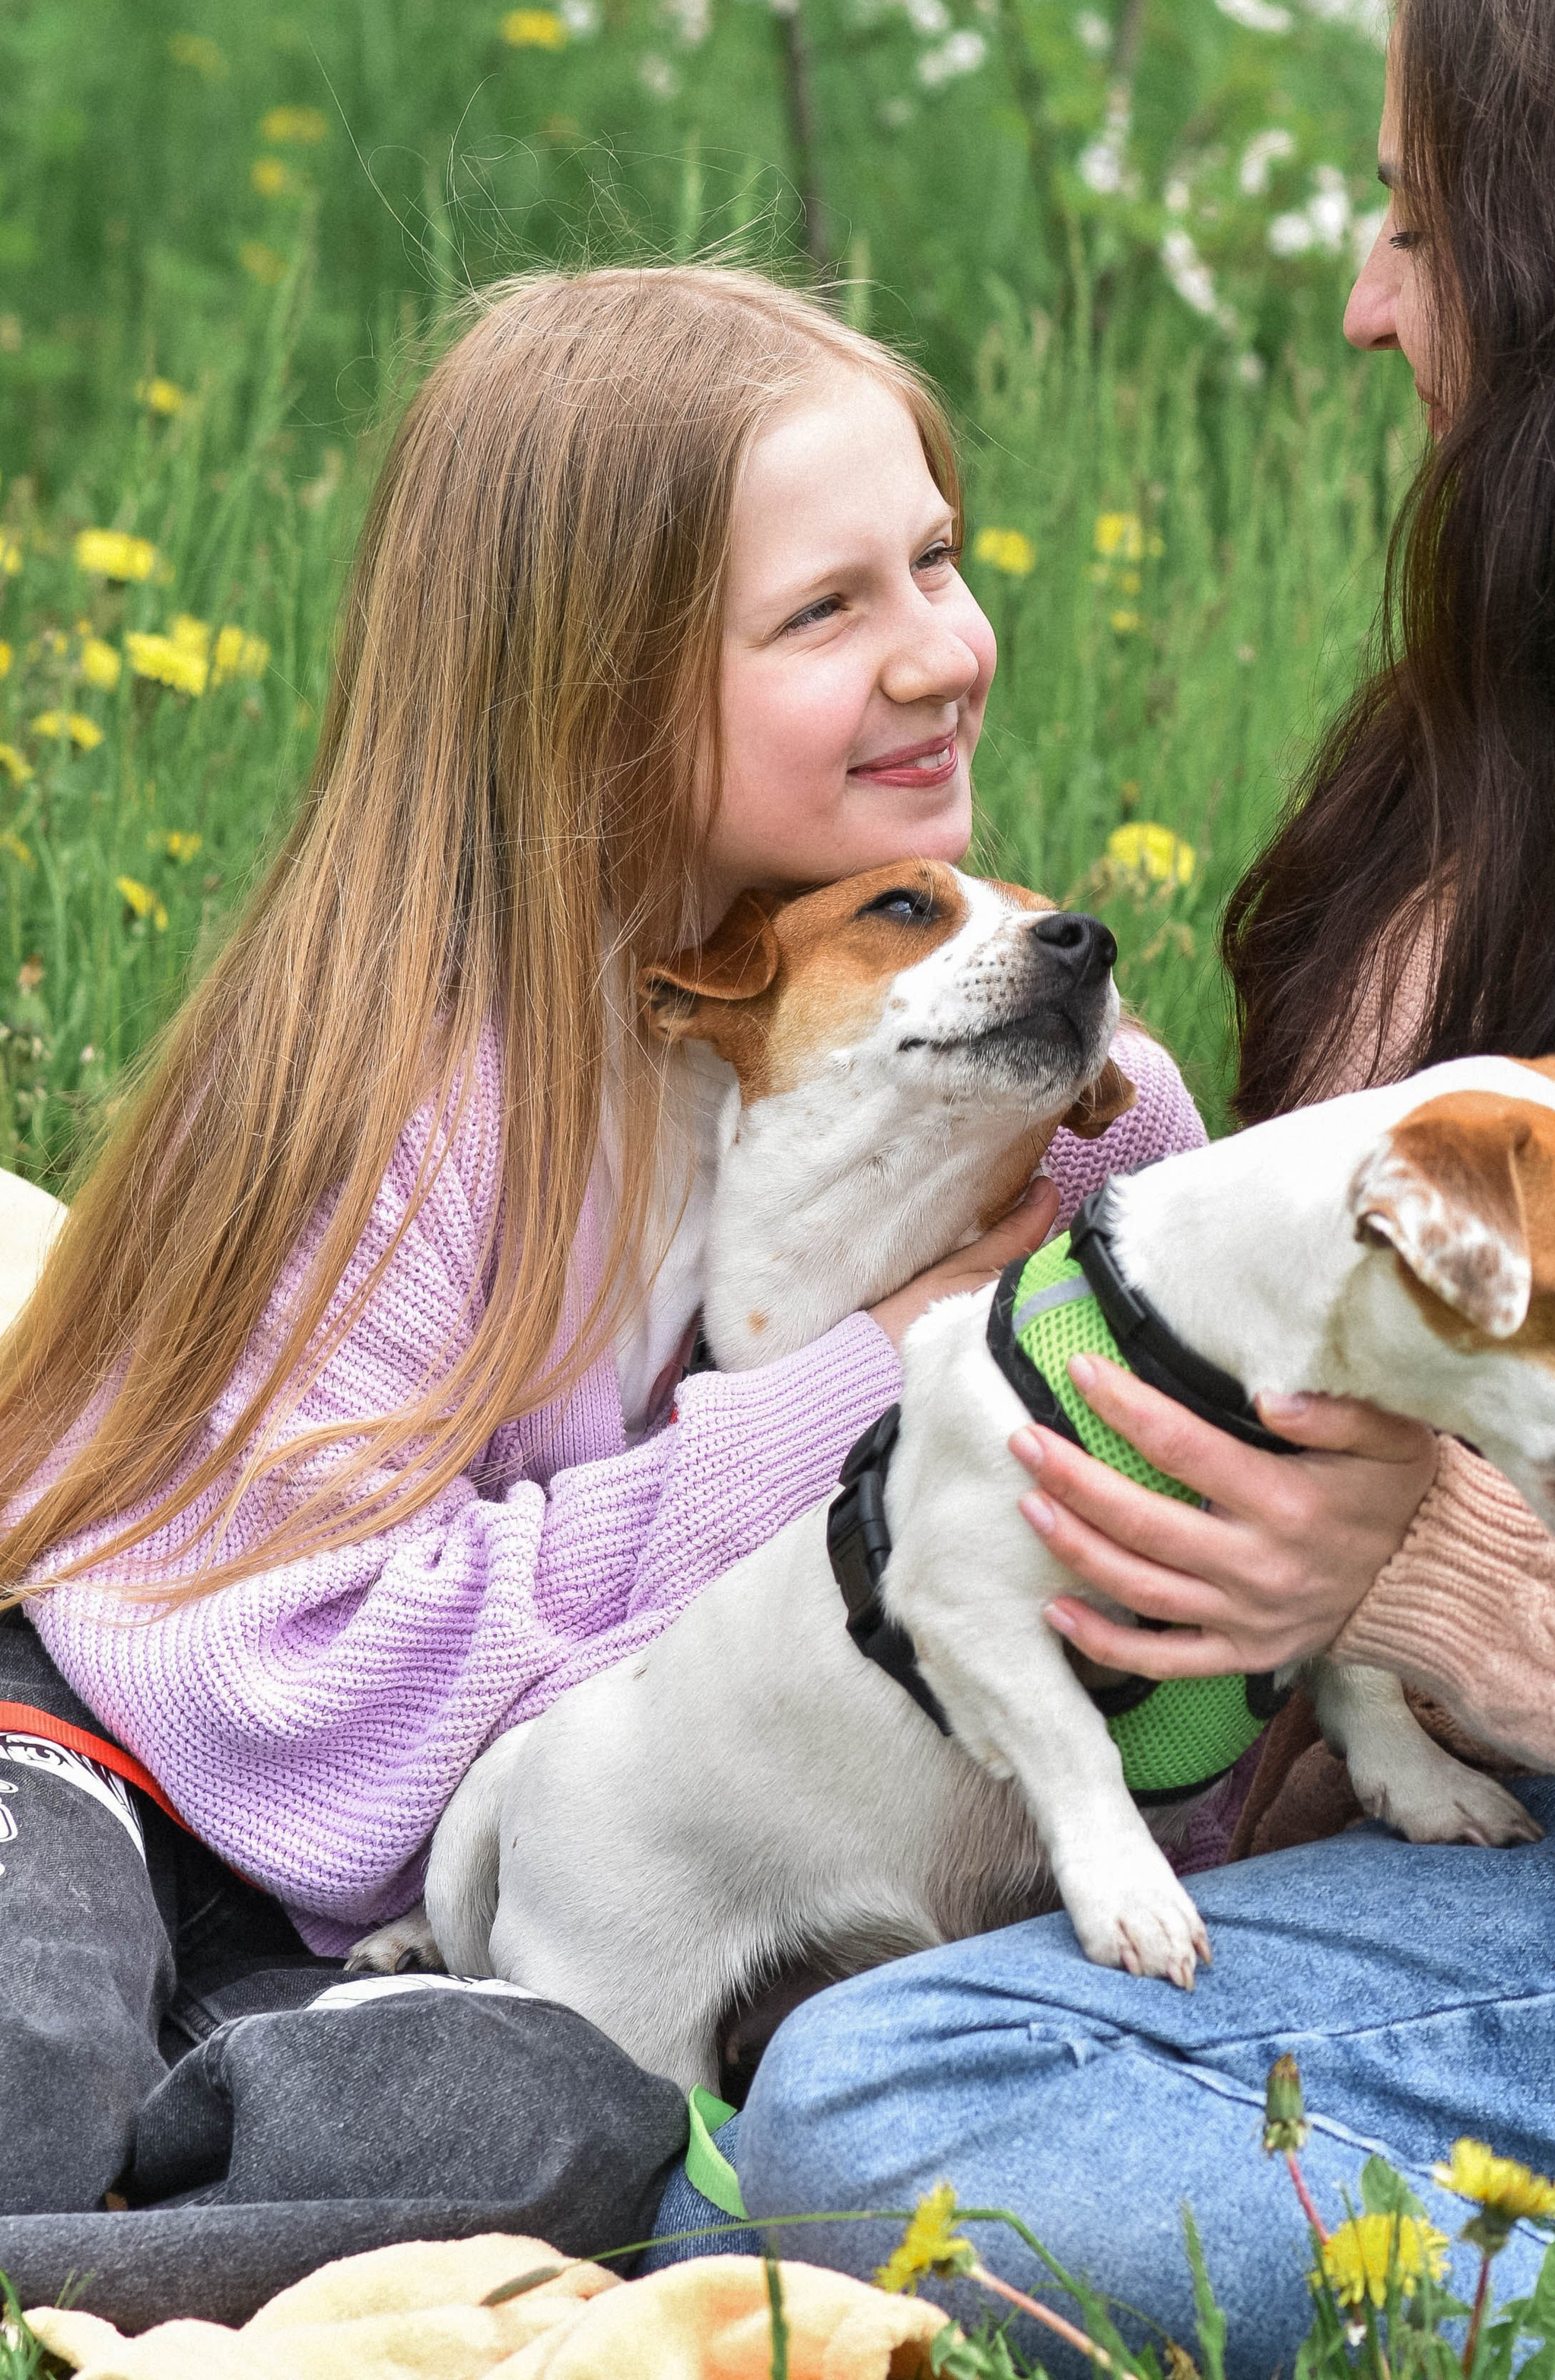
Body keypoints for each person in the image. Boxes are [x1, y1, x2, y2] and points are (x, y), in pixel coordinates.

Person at [735, 0, 1555, 2374]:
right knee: (735, 2141)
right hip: (1510, 1850)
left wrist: (1403, 1566)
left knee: (894, 2112)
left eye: (1423, 218)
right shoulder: (1506, 744)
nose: (1371, 297)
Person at [0, 264, 1206, 2324]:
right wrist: (880, 1378)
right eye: (826, 611)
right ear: (595, 695)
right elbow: (306, 1687)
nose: (942, 648)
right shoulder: (411, 1094)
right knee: (27, 2047)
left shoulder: (1064, 1106)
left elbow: (1151, 1626)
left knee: (560, 2125)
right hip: (125, 1755)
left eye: (937, 560)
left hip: (495, 1916)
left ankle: (177, 2231)